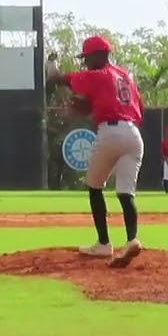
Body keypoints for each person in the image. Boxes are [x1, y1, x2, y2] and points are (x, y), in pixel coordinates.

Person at [46, 36, 146, 268]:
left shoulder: (97, 74)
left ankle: (103, 244)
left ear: (99, 55)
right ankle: (132, 240)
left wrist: (51, 64)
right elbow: (137, 107)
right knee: (125, 192)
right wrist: (95, 104)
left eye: (87, 57)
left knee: (94, 187)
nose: (85, 63)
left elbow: (57, 78)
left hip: (110, 133)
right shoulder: (125, 76)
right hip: (133, 135)